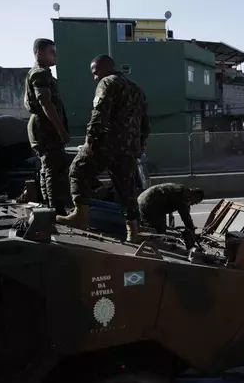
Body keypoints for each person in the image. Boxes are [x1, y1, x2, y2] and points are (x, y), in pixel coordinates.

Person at [56, 54, 151, 243]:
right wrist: (141, 142)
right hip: (129, 148)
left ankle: (80, 215)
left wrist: (90, 141)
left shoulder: (107, 83)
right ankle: (132, 231)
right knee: (126, 189)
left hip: (106, 144)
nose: (94, 77)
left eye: (95, 72)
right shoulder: (136, 88)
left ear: (105, 68)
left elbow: (99, 113)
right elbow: (145, 121)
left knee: (77, 171)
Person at [23, 38, 70, 216]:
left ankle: (50, 207)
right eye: (52, 51)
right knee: (53, 168)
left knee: (49, 168)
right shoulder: (40, 73)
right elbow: (45, 102)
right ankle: (56, 211)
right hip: (45, 128)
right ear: (39, 53)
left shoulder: (44, 73)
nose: (55, 55)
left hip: (45, 127)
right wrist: (60, 130)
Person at [137, 183, 204, 235]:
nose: (193, 204)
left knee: (155, 227)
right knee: (159, 231)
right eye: (195, 202)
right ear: (195, 195)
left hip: (144, 200)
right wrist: (191, 229)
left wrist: (190, 227)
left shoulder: (184, 190)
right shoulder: (183, 194)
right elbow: (185, 215)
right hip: (148, 202)